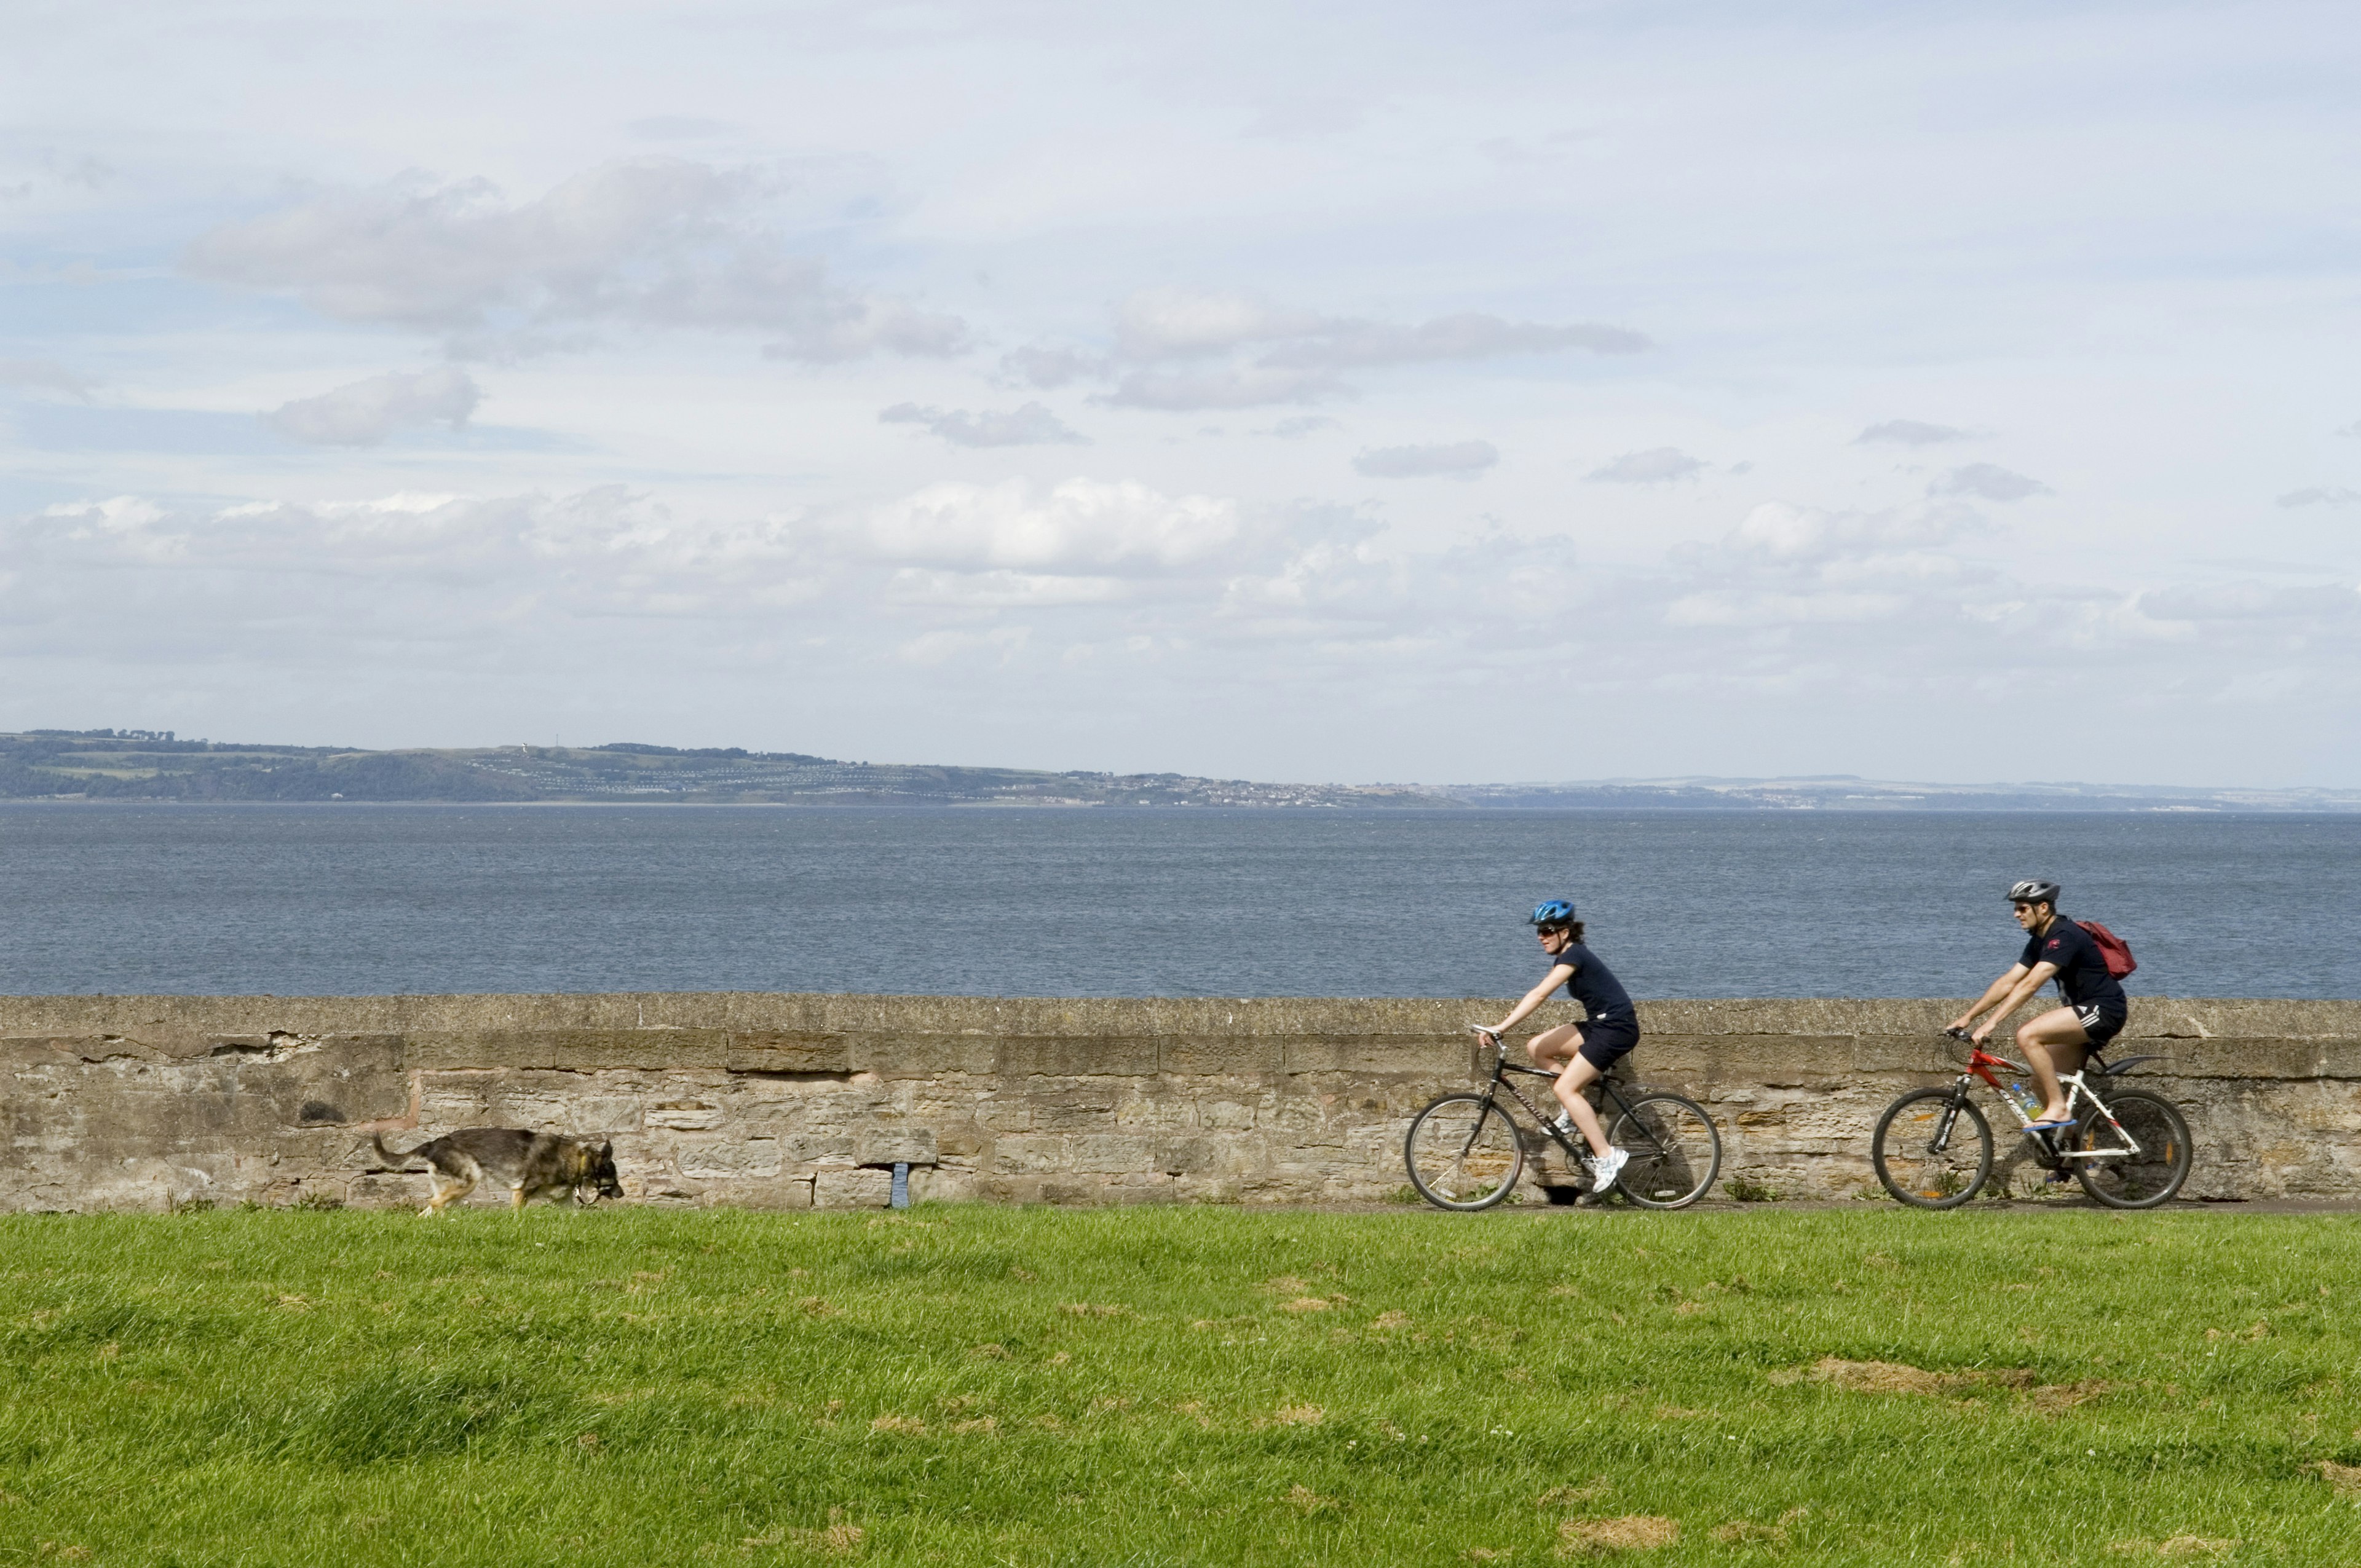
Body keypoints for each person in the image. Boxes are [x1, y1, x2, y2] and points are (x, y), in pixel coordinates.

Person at [1476, 899, 1641, 1192]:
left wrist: (1501, 1027)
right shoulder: (1566, 957)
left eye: (1548, 930)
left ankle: (1607, 1156)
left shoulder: (1574, 955)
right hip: (1600, 1025)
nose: (1542, 936)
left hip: (1616, 1029)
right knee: (1537, 1048)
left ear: (1566, 932)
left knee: (1564, 1088)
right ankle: (1573, 1112)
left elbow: (1540, 994)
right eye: (1539, 931)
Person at [1947, 879, 2129, 1129]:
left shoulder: (2064, 936)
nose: (2016, 914)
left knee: (2028, 1034)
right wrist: (1968, 1017)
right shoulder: (2039, 940)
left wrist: (1990, 1024)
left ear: (2043, 908)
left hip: (2103, 1010)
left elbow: (2031, 984)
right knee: (2039, 1080)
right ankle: (2074, 1160)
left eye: (2022, 908)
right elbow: (2009, 981)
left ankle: (2058, 1108)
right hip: (2080, 1013)